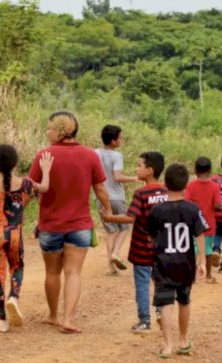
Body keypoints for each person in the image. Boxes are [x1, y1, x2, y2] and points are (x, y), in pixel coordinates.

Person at [29, 111, 111, 334]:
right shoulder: (90, 155)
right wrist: (108, 209)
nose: (48, 132)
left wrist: (16, 212)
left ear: (60, 131)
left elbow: (29, 189)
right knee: (73, 272)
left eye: (49, 128)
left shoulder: (44, 155)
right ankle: (68, 318)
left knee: (52, 273)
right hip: (80, 225)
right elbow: (101, 188)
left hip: (50, 225)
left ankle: (53, 315)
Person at [0, 144, 53, 333]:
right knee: (17, 267)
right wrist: (45, 170)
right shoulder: (25, 183)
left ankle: (0, 321)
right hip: (14, 234)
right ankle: (14, 297)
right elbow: (44, 187)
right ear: (15, 162)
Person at [101, 151, 167, 334]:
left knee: (143, 284)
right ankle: (162, 311)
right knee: (159, 281)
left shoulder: (141, 193)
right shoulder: (165, 192)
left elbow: (131, 218)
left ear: (149, 170)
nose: (136, 169)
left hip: (142, 249)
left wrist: (110, 217)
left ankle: (145, 321)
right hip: (162, 248)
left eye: (139, 165)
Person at [148, 164, 207, 359]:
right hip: (185, 263)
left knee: (165, 303)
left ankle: (167, 345)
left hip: (163, 263)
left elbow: (151, 237)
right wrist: (202, 261)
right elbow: (200, 234)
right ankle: (183, 340)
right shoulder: (192, 209)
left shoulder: (156, 210)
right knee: (184, 301)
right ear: (186, 185)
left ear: (164, 184)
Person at [96, 125, 138, 276]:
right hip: (116, 197)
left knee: (111, 231)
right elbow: (117, 177)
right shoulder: (116, 155)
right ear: (113, 141)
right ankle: (116, 252)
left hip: (101, 197)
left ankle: (111, 268)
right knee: (125, 228)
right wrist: (134, 178)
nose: (121, 140)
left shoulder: (95, 153)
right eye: (120, 138)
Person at [183, 157, 221, 283]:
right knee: (208, 249)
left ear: (195, 170)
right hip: (209, 223)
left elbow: (186, 202)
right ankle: (208, 275)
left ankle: (191, 275)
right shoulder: (215, 186)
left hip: (193, 223)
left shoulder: (191, 186)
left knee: (193, 249)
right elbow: (218, 205)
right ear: (210, 170)